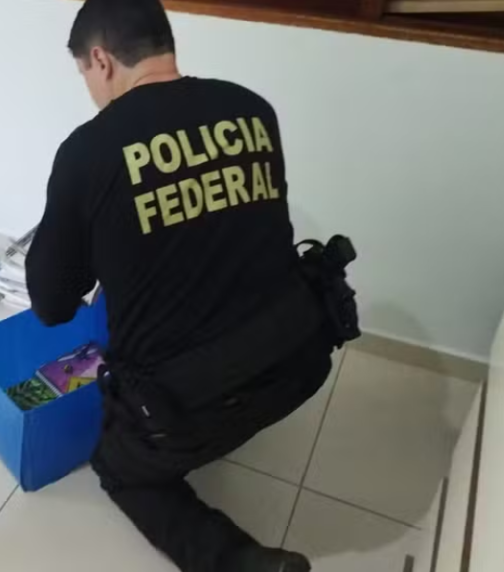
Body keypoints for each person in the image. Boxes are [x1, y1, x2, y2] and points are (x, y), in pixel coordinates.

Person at [26, 1, 339, 570]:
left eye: (84, 74)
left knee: (119, 469)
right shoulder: (251, 108)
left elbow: (51, 305)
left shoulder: (89, 151)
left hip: (189, 410)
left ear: (101, 60)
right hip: (303, 359)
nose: (89, 89)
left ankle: (239, 562)